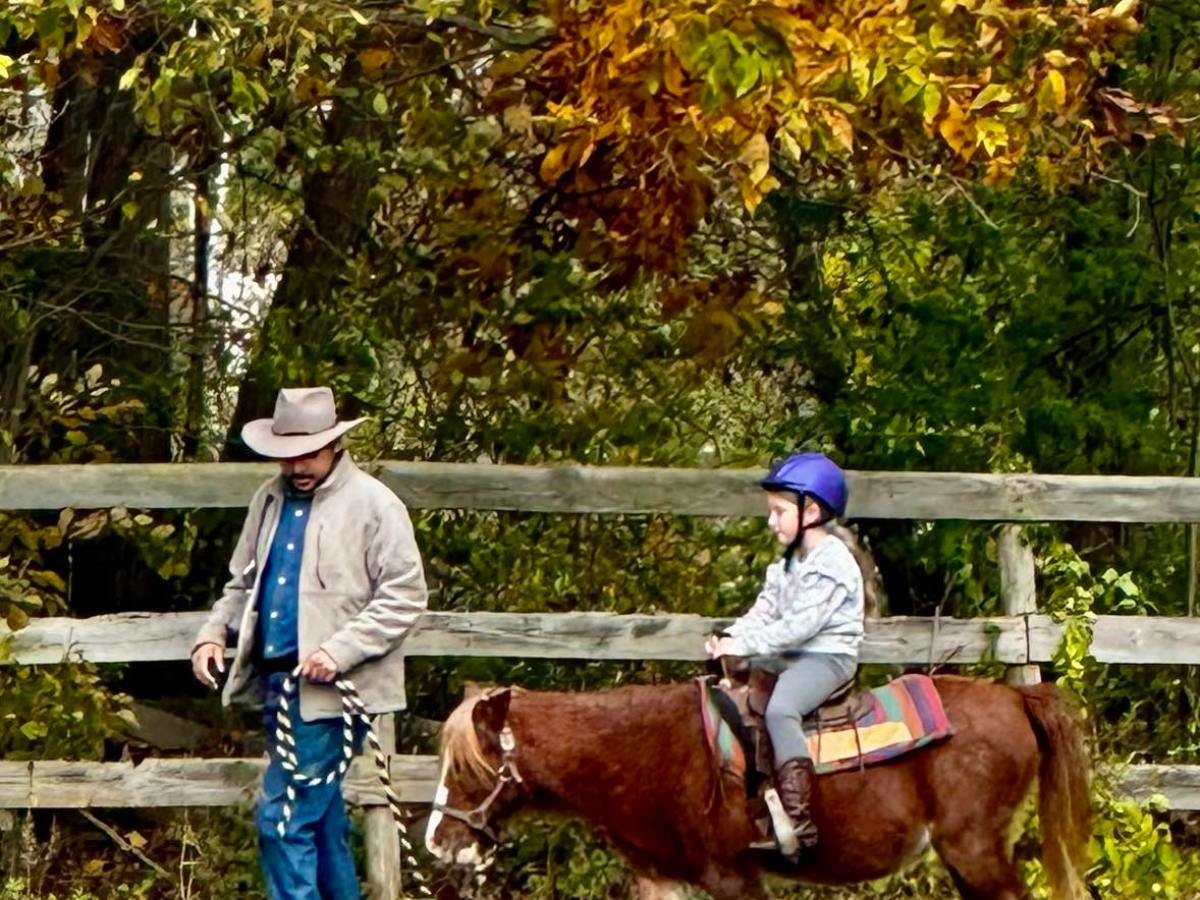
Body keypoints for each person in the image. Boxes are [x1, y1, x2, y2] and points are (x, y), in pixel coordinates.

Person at [190, 386, 428, 900]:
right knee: (318, 823)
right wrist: (213, 634)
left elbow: (405, 596)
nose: (298, 464)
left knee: (282, 819)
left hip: (335, 691)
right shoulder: (269, 501)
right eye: (288, 454)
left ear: (334, 448)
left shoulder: (374, 506)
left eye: (309, 454)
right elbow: (242, 582)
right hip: (278, 684)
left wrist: (337, 651)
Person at [705, 451, 866, 856]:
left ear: (811, 511)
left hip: (826, 657)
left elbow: (799, 627)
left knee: (781, 710)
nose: (771, 521)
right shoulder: (788, 562)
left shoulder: (831, 563)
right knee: (739, 693)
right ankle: (755, 796)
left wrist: (742, 646)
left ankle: (798, 820)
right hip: (794, 653)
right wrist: (730, 636)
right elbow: (765, 611)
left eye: (779, 511)